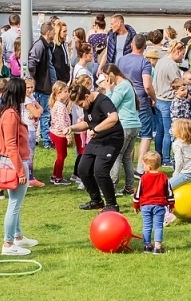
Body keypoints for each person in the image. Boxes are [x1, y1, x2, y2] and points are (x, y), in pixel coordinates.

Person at [0, 77, 35, 256]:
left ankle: (17, 237)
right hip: (14, 163)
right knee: (14, 204)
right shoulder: (10, 115)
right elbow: (11, 145)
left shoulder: (8, 111)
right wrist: (20, 170)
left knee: (15, 203)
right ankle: (8, 244)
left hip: (12, 161)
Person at [70, 78, 123, 211]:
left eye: (81, 104)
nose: (82, 107)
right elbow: (88, 123)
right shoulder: (88, 104)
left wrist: (95, 130)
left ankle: (112, 205)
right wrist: (71, 128)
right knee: (83, 169)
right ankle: (96, 201)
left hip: (112, 139)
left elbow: (113, 118)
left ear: (87, 96)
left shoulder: (103, 101)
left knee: (100, 171)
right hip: (97, 139)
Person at [101, 63, 141, 196]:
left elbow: (111, 104)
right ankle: (129, 187)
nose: (106, 80)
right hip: (134, 125)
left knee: (117, 155)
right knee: (126, 158)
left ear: (111, 75)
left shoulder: (122, 86)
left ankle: (111, 186)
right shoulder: (126, 84)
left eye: (106, 77)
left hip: (125, 125)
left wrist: (108, 89)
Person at [151, 40, 185, 163]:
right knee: (168, 132)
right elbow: (178, 83)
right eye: (182, 54)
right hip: (167, 100)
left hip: (158, 98)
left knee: (159, 131)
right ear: (177, 51)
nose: (183, 57)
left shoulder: (161, 60)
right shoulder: (171, 65)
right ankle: (166, 159)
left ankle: (158, 156)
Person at [134, 150, 172, 254]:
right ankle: (158, 247)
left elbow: (138, 193)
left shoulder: (144, 178)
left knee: (147, 225)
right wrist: (171, 204)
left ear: (149, 167)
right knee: (158, 225)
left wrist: (136, 205)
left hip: (145, 205)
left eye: (144, 165)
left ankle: (147, 246)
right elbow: (169, 192)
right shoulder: (164, 177)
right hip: (159, 205)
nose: (143, 167)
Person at [47, 81, 76, 185]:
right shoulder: (60, 106)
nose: (68, 93)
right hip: (60, 134)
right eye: (65, 91)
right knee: (61, 156)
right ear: (58, 93)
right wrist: (68, 136)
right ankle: (58, 178)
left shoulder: (57, 104)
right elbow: (62, 122)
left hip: (55, 132)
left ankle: (55, 175)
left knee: (61, 155)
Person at [168, 119, 191, 191]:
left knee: (166, 187)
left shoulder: (177, 144)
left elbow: (179, 161)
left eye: (173, 127)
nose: (171, 129)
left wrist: (176, 173)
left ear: (179, 131)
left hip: (186, 173)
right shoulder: (187, 141)